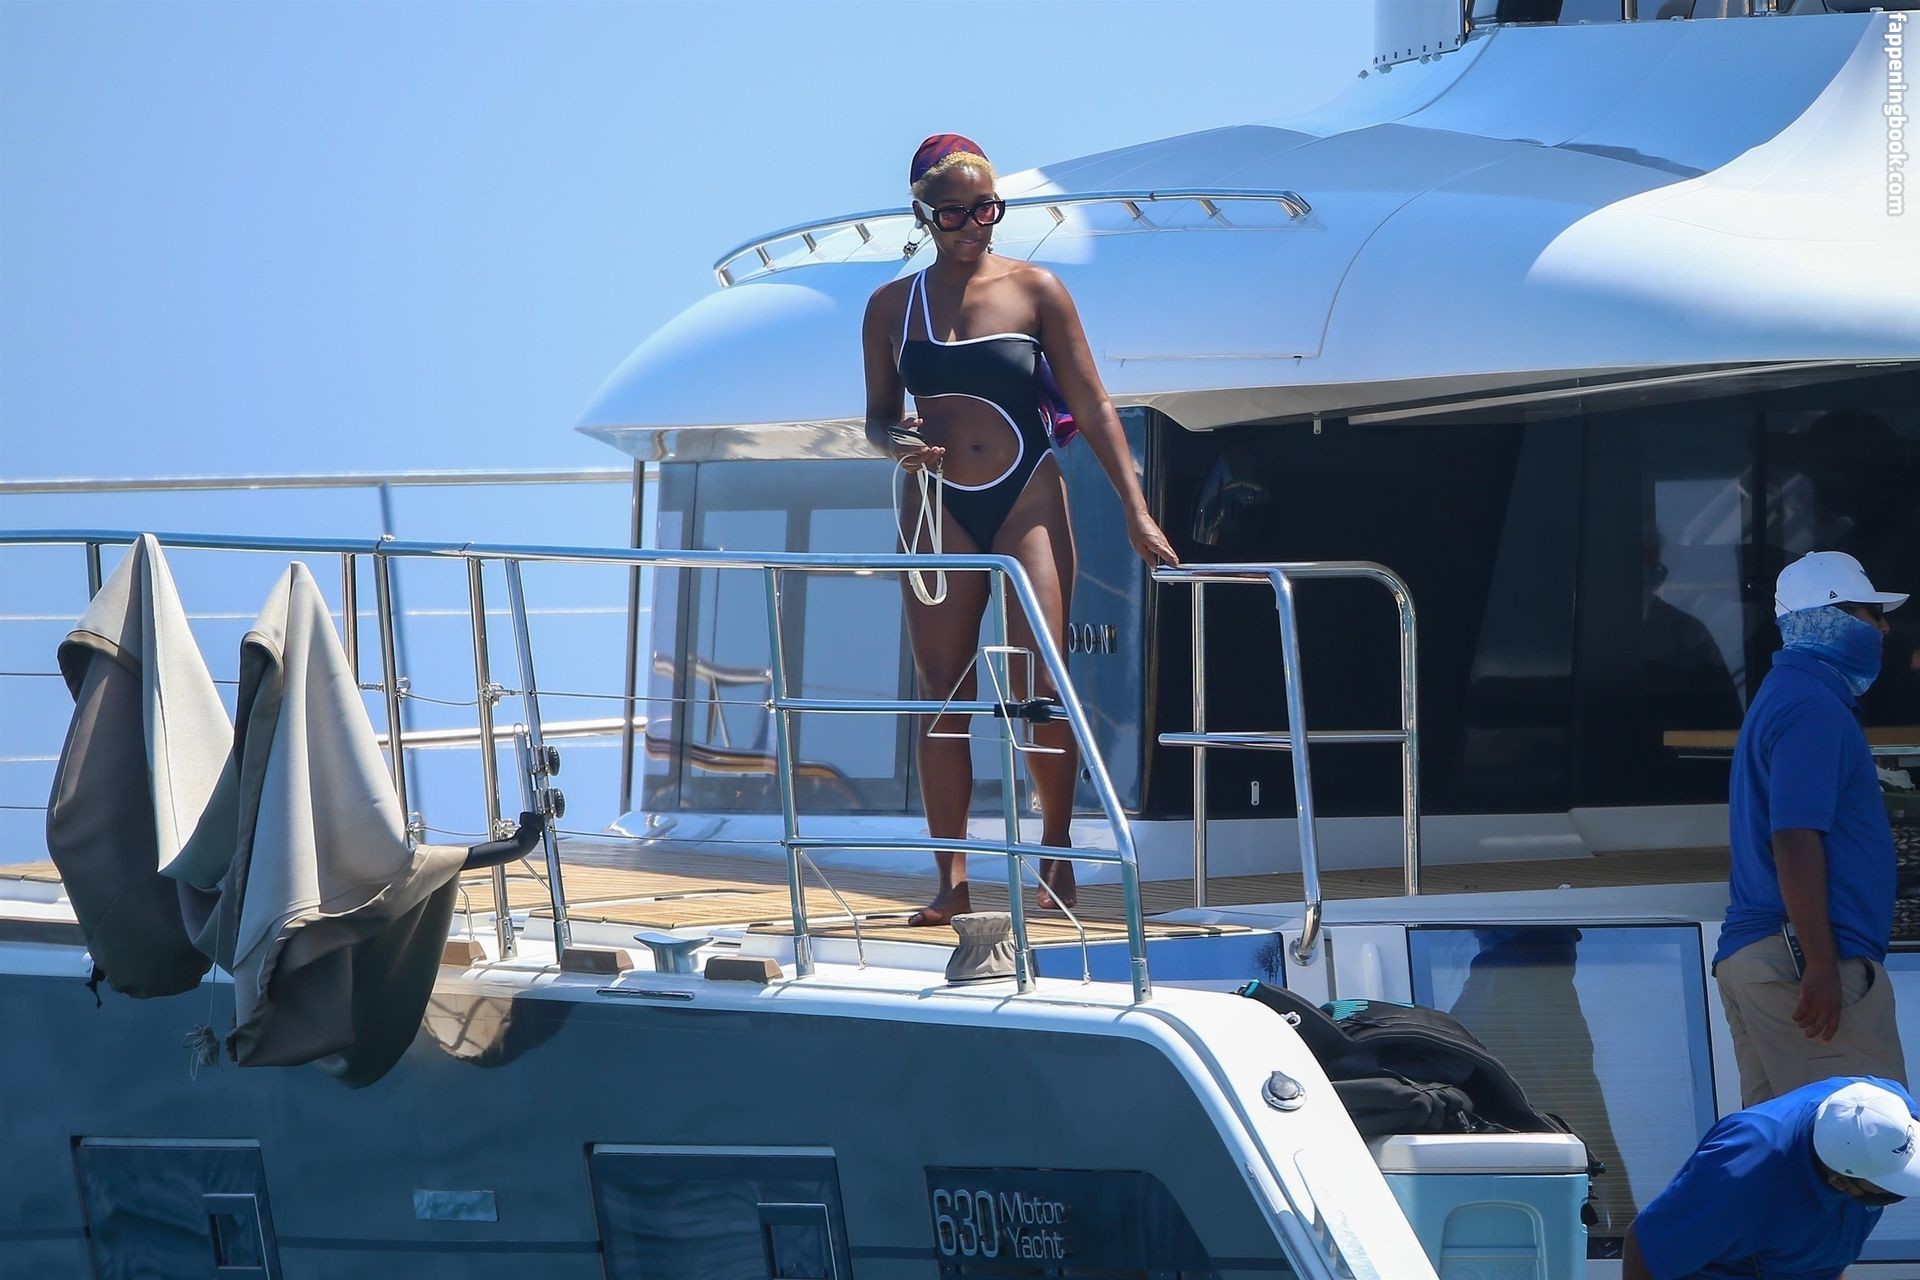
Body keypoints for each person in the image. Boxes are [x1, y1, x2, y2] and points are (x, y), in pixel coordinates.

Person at [860, 134, 1177, 926]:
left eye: (987, 209)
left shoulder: (1036, 289)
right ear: (924, 215)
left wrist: (1135, 508)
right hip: (937, 503)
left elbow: (1093, 404)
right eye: (954, 213)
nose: (974, 225)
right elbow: (877, 419)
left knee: (1042, 683)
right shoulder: (892, 308)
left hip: (1026, 491)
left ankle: (1055, 855)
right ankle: (952, 881)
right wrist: (898, 444)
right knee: (943, 694)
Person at [1714, 551, 1909, 1107]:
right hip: (1799, 964)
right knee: (1866, 1145)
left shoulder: (1786, 695)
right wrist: (1821, 964)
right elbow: (1794, 839)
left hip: (1770, 960)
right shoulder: (1812, 707)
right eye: (1873, 614)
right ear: (1832, 618)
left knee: (1785, 1155)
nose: (1885, 629)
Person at [1622, 1076, 1920, 1280]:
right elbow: (1646, 1247)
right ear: (1838, 1182)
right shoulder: (1739, 1177)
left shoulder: (1885, 1108)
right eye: (1888, 1193)